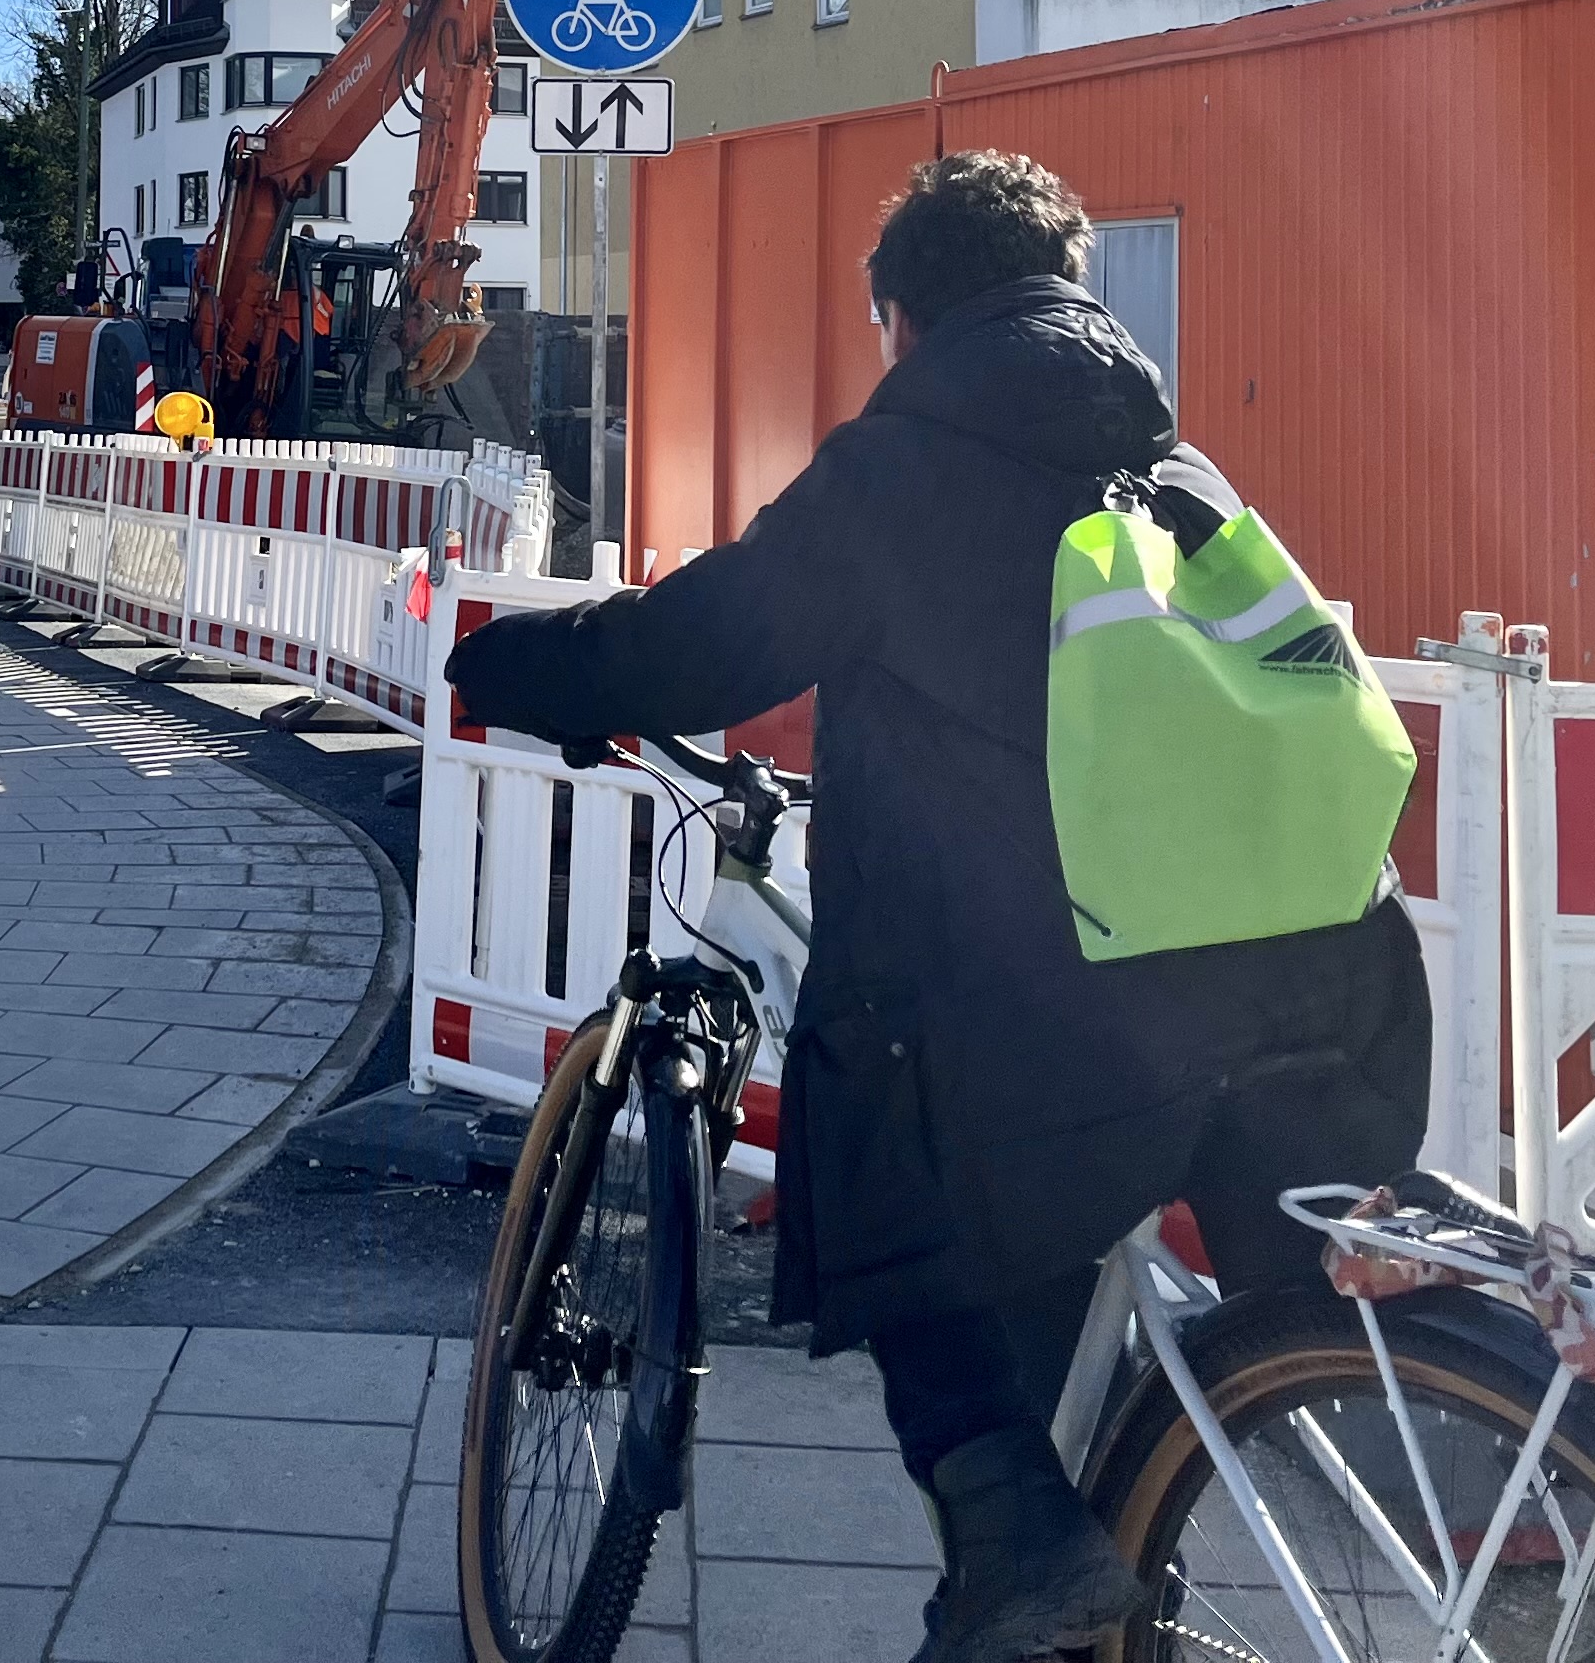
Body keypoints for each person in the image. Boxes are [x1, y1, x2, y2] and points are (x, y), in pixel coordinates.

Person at [445, 153, 1430, 1663]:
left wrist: (509, 660)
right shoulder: (1180, 473)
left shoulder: (906, 469)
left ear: (899, 314)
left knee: (878, 1128)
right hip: (1323, 980)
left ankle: (1017, 1536)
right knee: (1104, 1286)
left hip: (1071, 1016)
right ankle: (1031, 1567)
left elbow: (705, 640)